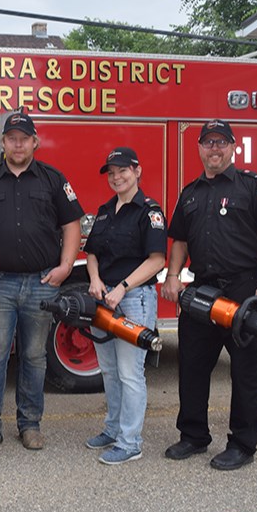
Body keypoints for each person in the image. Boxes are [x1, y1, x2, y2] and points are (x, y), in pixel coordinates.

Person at [161, 120, 257, 471]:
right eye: (208, 142)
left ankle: (243, 444)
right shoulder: (190, 193)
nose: (214, 149)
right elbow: (180, 242)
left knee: (246, 372)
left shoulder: (252, 186)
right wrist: (173, 275)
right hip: (203, 290)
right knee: (192, 366)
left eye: (221, 142)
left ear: (233, 147)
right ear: (199, 148)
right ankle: (193, 436)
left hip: (247, 291)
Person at [0, 112, 84, 452]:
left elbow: (72, 224)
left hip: (42, 282)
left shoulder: (52, 179)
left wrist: (65, 267)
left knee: (34, 357)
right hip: (0, 283)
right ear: (2, 143)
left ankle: (30, 424)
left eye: (24, 138)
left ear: (35, 142)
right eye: (11, 138)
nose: (18, 144)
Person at [83, 147, 167, 465]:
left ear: (137, 170)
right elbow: (91, 252)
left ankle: (131, 442)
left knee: (130, 373)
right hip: (103, 301)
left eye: (123, 171)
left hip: (134, 300)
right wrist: (94, 280)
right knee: (109, 370)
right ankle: (113, 428)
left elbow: (156, 260)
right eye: (112, 172)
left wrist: (122, 288)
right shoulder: (105, 210)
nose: (116, 177)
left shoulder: (149, 211)